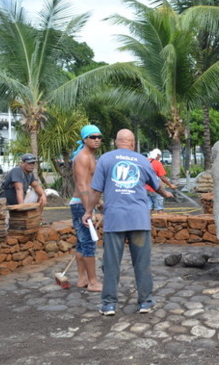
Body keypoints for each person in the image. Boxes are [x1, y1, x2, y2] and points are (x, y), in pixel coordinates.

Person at [83, 129, 173, 316]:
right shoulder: (142, 161)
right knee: (142, 263)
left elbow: (95, 191)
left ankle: (108, 305)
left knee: (111, 264)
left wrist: (88, 211)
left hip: (115, 220)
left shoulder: (105, 160)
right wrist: (166, 194)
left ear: (117, 142)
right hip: (139, 219)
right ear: (132, 143)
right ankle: (145, 302)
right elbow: (157, 186)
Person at [68, 125, 104, 291]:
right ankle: (92, 281)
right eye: (92, 137)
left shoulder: (90, 156)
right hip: (81, 204)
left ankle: (82, 279)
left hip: (86, 203)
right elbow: (82, 185)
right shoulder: (82, 157)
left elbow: (91, 185)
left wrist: (98, 203)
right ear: (84, 139)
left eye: (99, 137)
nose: (97, 139)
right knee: (89, 243)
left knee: (82, 244)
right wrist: (88, 210)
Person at [146, 148, 177, 213]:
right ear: (157, 155)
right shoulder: (157, 163)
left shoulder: (145, 161)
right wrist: (170, 185)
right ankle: (160, 222)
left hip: (145, 189)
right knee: (159, 208)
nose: (159, 158)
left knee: (148, 207)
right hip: (155, 189)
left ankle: (147, 222)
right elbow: (162, 177)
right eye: (159, 156)